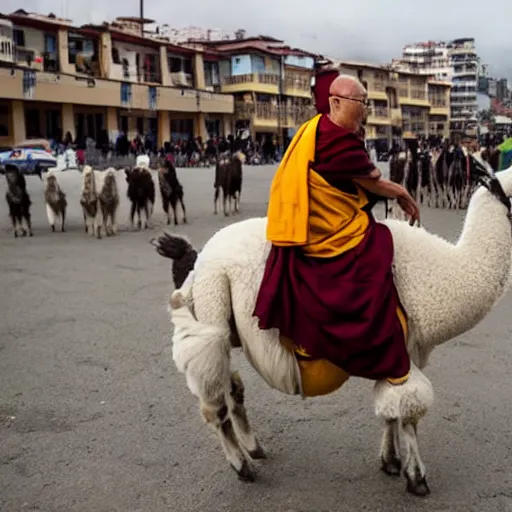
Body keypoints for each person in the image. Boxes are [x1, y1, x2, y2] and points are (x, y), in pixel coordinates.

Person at [253, 72, 419, 388]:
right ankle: (378, 345)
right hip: (324, 233)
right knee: (378, 246)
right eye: (362, 103)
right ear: (336, 102)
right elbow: (373, 183)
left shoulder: (316, 130)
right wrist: (402, 192)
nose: (366, 110)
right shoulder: (335, 139)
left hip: (319, 218)